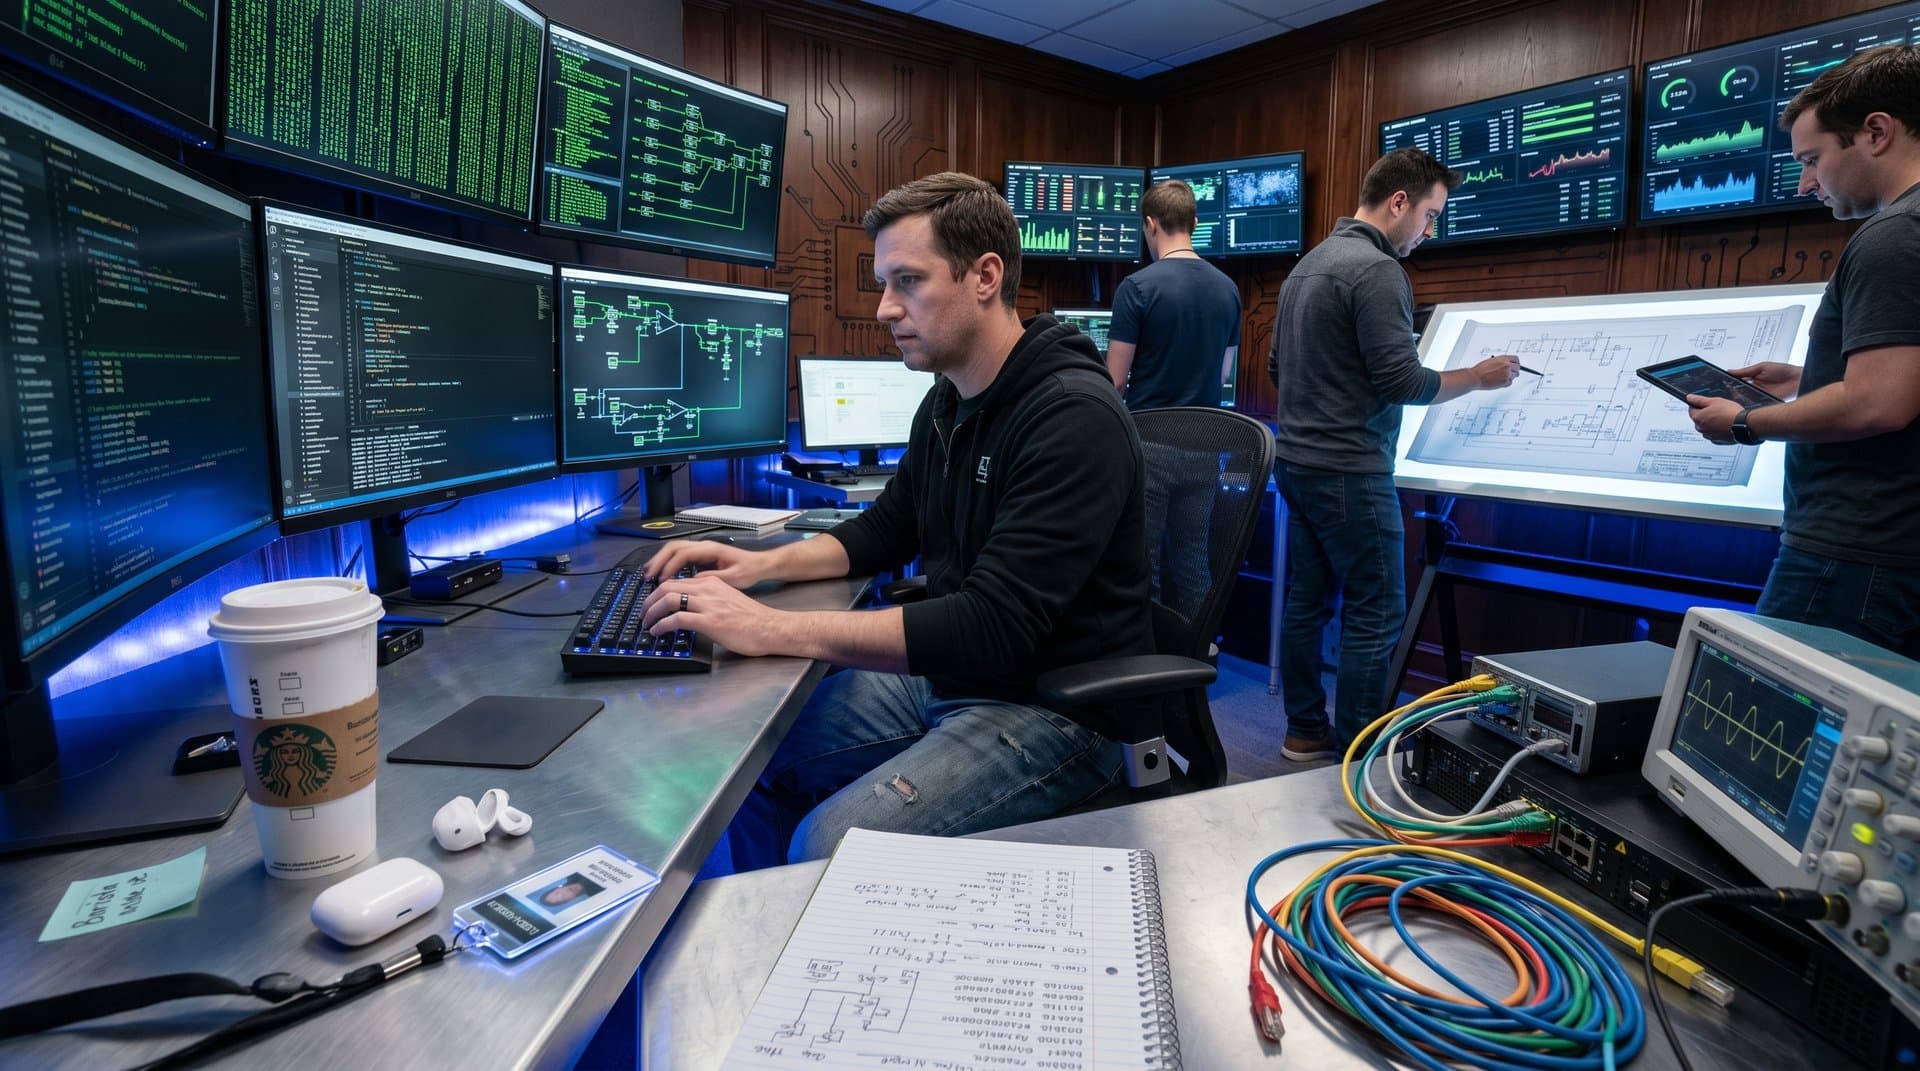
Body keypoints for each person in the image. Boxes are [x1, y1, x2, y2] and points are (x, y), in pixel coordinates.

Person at [639, 171, 1154, 864]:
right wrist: (757, 566)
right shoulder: (947, 402)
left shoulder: (1072, 417)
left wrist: (769, 627)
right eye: (885, 283)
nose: (885, 308)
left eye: (908, 281)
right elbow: (886, 529)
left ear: (985, 277)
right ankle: (788, 927)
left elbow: (991, 625)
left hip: (1057, 712)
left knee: (825, 843)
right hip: (957, 679)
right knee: (744, 759)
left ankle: (817, 921)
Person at [1266, 148, 1520, 760]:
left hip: (1296, 464)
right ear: (1399, 202)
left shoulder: (1307, 266)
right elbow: (1402, 381)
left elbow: (1277, 366)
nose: (1429, 232)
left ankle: (1304, 732)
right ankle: (1358, 756)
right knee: (1377, 611)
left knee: (1306, 602)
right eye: (1430, 216)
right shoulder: (1378, 271)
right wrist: (1478, 377)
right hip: (1350, 471)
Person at [1685, 45, 1920, 657]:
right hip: (1896, 552)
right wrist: (1808, 375)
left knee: (1772, 714)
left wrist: (1745, 421)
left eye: (1813, 159)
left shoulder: (1894, 236)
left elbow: (1879, 404)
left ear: (1876, 133)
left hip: (1854, 555)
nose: (1805, 183)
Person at [1105, 178, 1244, 615]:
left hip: (1150, 445)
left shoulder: (1137, 287)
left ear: (1150, 224)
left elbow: (1114, 381)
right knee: (1193, 564)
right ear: (1194, 223)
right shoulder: (1228, 289)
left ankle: (1144, 657)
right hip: (1206, 446)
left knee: (1142, 566)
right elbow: (1224, 374)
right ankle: (1195, 654)